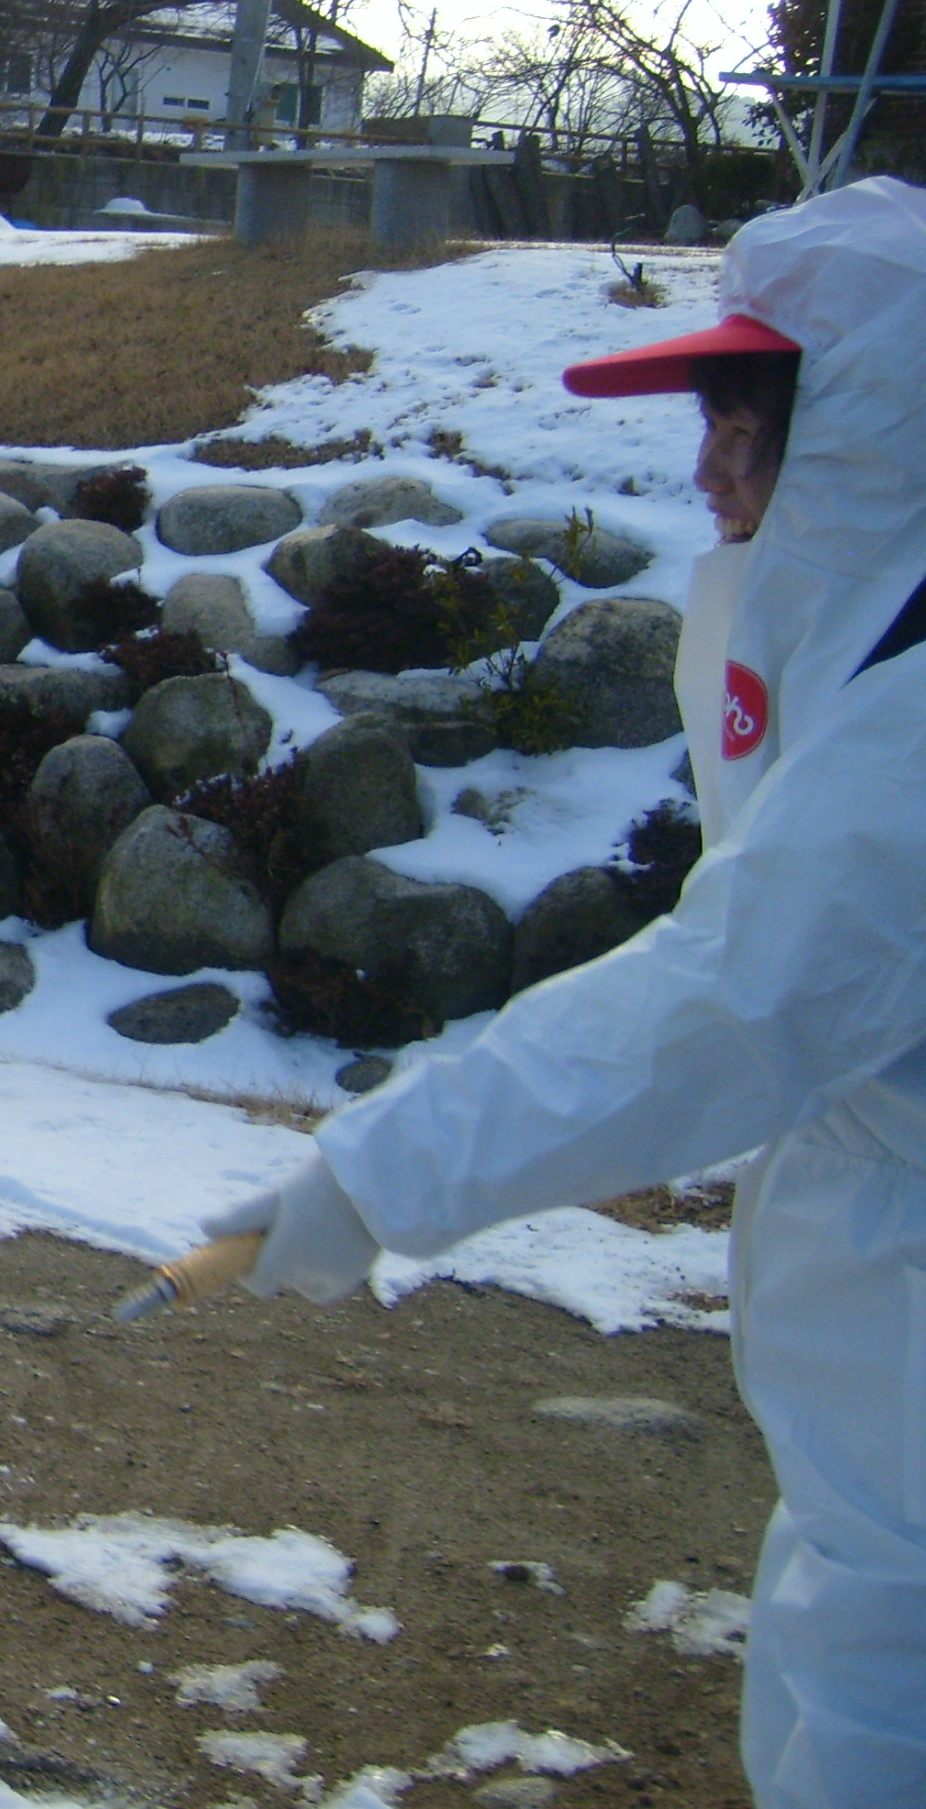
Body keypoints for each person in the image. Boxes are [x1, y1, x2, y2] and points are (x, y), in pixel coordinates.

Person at [208, 177, 926, 1809]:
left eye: (749, 428)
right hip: (876, 1292)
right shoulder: (867, 640)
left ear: (874, 435)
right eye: (708, 421)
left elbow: (729, 997)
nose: (708, 469)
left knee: (883, 1695)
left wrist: (377, 1173)